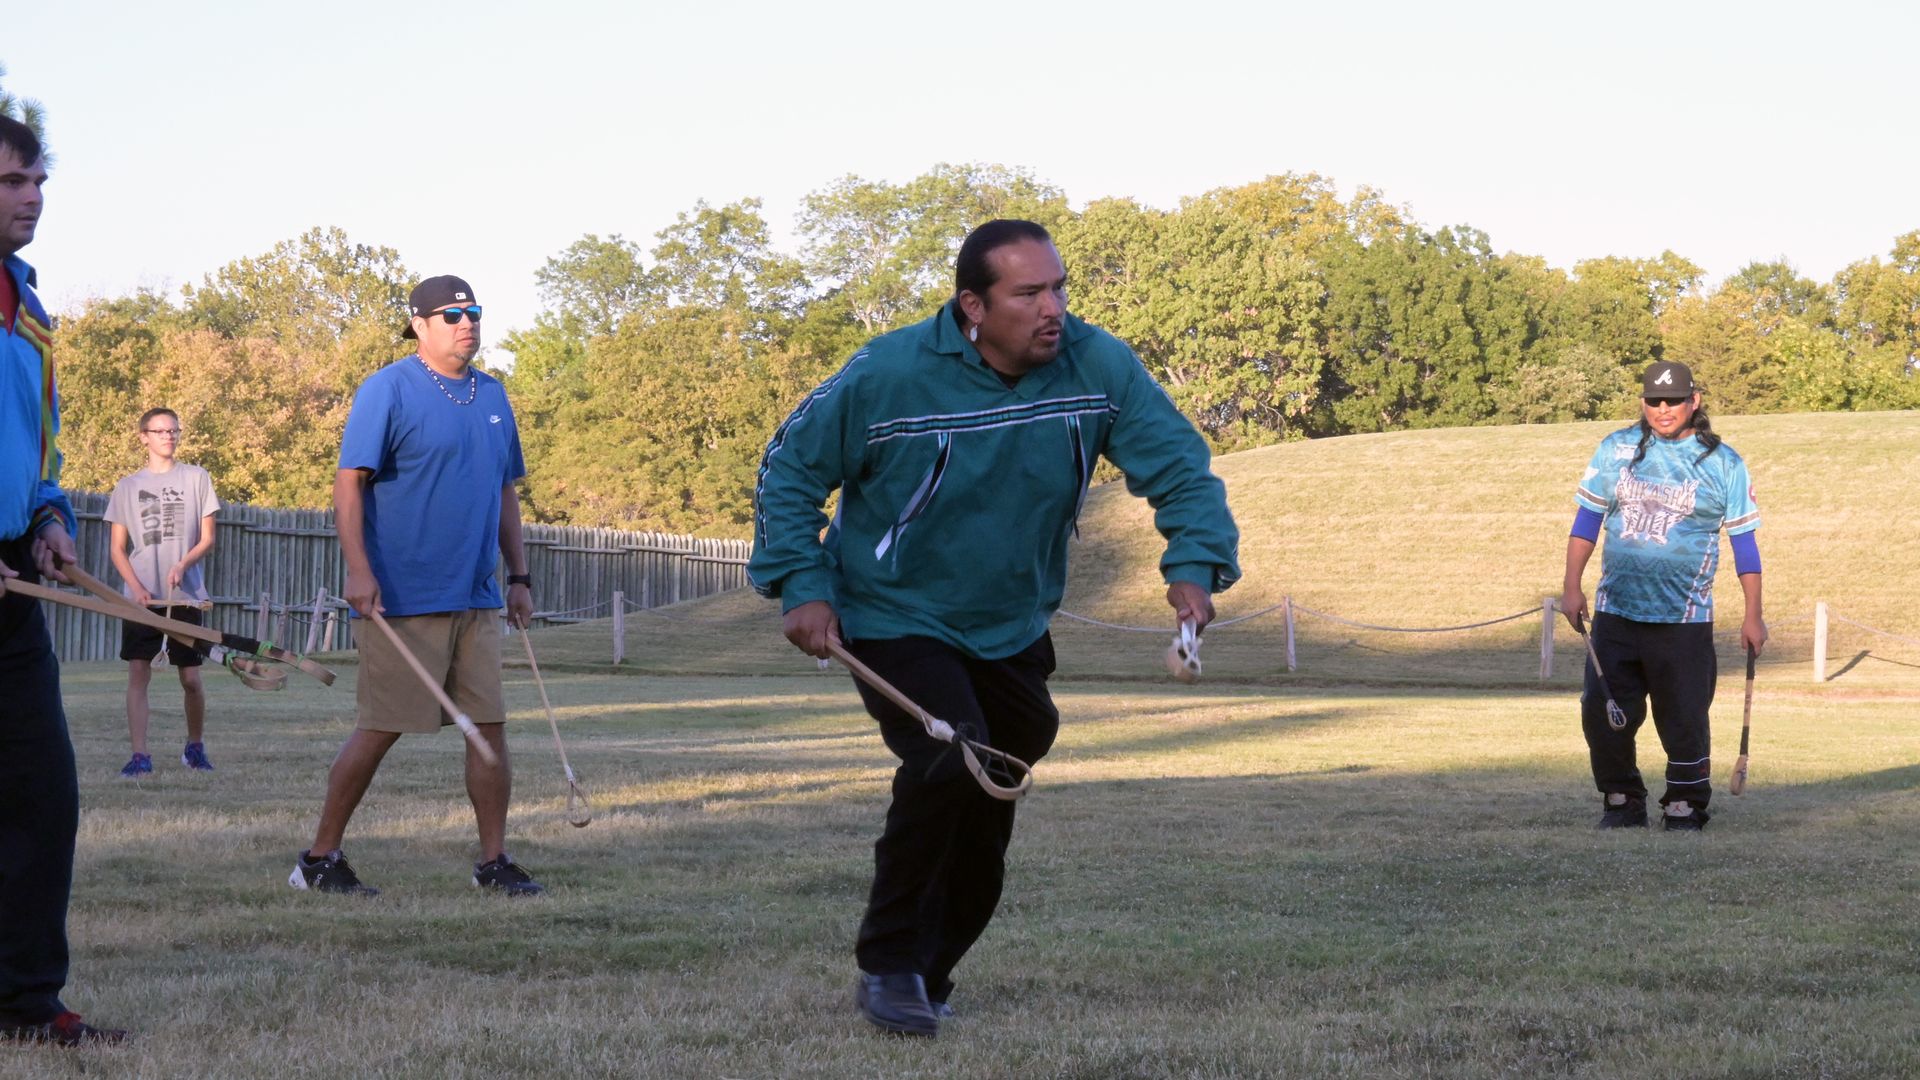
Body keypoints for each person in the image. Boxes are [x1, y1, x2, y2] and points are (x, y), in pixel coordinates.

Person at [749, 219, 1240, 1037]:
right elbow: (788, 470)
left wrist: (1194, 564)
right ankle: (891, 965)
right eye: (1029, 293)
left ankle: (934, 968)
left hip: (1010, 618)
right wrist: (802, 584)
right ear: (972, 305)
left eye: (1059, 288)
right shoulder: (888, 373)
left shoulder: (1098, 364)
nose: (1054, 309)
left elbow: (1182, 468)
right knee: (954, 756)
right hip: (892, 608)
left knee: (1005, 760)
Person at [289, 274, 541, 897]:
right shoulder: (388, 390)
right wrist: (359, 570)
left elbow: (506, 490)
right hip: (402, 596)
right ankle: (319, 860)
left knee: (489, 729)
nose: (466, 324)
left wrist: (519, 576)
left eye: (473, 313)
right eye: (451, 316)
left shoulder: (493, 395)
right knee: (381, 727)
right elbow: (349, 482)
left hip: (478, 595)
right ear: (420, 325)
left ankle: (493, 863)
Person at [0, 115, 126, 1047]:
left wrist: (49, 518)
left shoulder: (30, 308)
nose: (30, 196)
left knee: (42, 793)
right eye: (10, 181)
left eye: (36, 180)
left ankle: (24, 1002)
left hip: (13, 581)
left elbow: (39, 447)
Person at [1561, 360, 1765, 832]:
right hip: (1616, 613)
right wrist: (1572, 586)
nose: (1663, 408)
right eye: (1654, 400)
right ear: (1644, 402)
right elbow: (1587, 521)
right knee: (1602, 712)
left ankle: (1685, 804)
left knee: (1684, 718)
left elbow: (1745, 543)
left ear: (1693, 401)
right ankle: (1622, 799)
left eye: (1673, 400)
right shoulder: (1616, 450)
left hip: (1684, 619)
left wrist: (1753, 614)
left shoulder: (1724, 464)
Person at [105, 407, 221, 777]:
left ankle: (195, 747)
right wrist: (136, 588)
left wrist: (183, 564)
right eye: (160, 431)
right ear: (144, 437)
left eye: (173, 430)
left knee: (190, 678)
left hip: (184, 596)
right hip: (142, 600)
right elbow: (116, 549)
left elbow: (207, 539)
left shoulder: (197, 478)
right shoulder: (128, 486)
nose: (168, 436)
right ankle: (140, 756)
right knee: (139, 674)